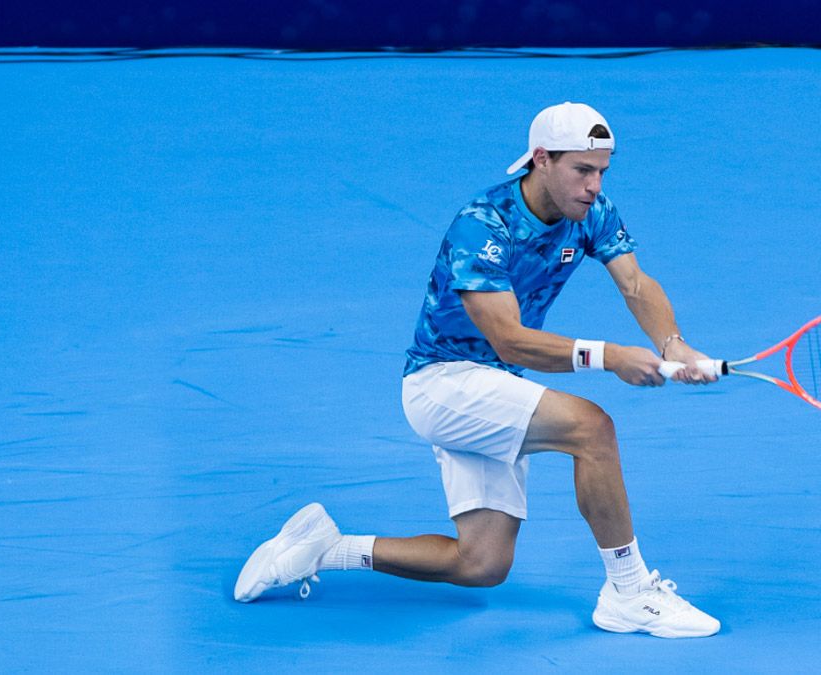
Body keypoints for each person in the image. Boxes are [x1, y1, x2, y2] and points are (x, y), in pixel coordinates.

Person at [234, 102, 721, 638]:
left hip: (494, 387)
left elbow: (635, 283)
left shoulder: (592, 212)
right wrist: (609, 356)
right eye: (583, 170)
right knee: (592, 429)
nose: (594, 185)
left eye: (602, 171)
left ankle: (324, 549)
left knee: (481, 564)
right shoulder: (483, 225)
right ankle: (628, 592)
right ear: (541, 159)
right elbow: (508, 340)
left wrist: (673, 344)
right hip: (442, 383)